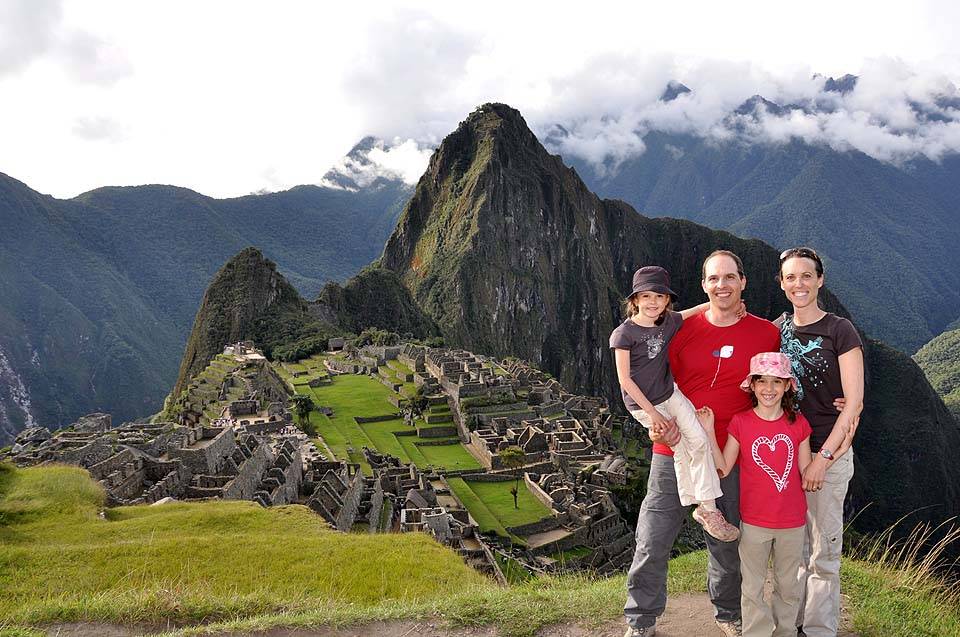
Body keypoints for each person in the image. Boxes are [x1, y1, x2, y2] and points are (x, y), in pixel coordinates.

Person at [624, 251, 780, 637]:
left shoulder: (765, 334)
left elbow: (776, 389)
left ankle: (728, 613)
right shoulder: (678, 330)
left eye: (729, 277)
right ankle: (640, 619)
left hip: (729, 453)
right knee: (652, 538)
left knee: (726, 540)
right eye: (713, 278)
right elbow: (644, 379)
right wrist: (654, 427)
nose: (721, 285)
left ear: (743, 282)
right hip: (673, 447)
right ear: (704, 285)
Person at [610, 265, 739, 543]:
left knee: (700, 441)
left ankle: (704, 508)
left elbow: (695, 310)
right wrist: (653, 415)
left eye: (659, 296)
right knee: (681, 446)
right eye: (646, 296)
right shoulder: (624, 334)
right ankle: (706, 507)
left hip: (670, 393)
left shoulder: (669, 321)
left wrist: (729, 304)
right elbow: (625, 381)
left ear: (667, 300)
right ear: (635, 301)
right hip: (642, 404)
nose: (653, 302)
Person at [776, 247, 864, 637]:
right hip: (786, 452)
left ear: (820, 279)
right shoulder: (778, 329)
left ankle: (818, 629)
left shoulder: (839, 330)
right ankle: (792, 620)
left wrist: (823, 458)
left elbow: (854, 401)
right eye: (791, 277)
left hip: (827, 450)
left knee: (824, 550)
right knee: (794, 548)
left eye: (806, 276)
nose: (799, 284)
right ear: (781, 283)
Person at [700, 352, 813, 637]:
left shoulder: (798, 424)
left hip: (792, 522)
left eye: (777, 381)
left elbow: (807, 471)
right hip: (753, 522)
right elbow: (724, 467)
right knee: (752, 587)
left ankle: (785, 632)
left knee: (788, 587)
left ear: (788, 386)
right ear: (751, 385)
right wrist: (710, 432)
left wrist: (837, 444)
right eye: (761, 381)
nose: (768, 388)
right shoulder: (740, 423)